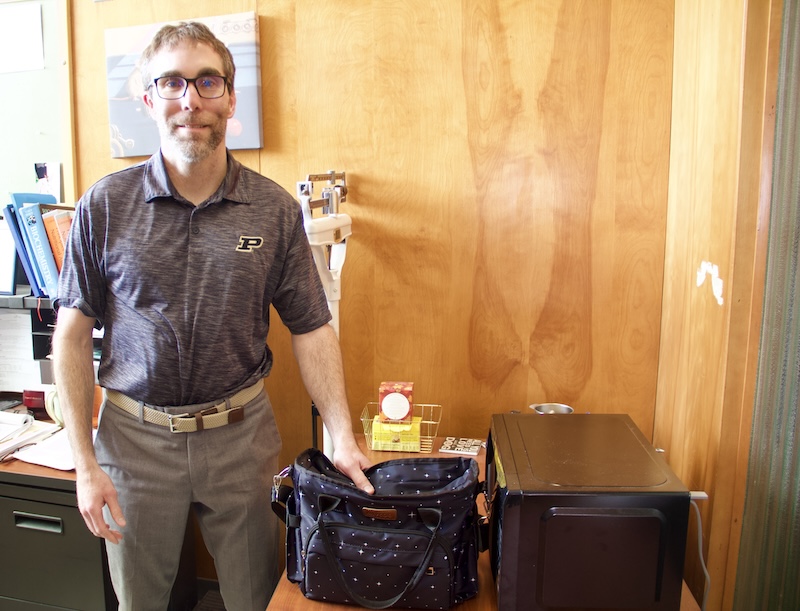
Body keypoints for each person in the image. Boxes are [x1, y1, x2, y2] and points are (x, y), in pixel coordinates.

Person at [52, 21, 374, 611]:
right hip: (133, 441)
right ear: (149, 99)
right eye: (171, 82)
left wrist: (342, 434)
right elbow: (71, 337)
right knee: (139, 604)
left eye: (207, 82)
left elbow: (311, 326)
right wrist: (83, 463)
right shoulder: (105, 205)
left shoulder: (273, 210)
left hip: (240, 438)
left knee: (259, 599)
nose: (190, 100)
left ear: (230, 97)